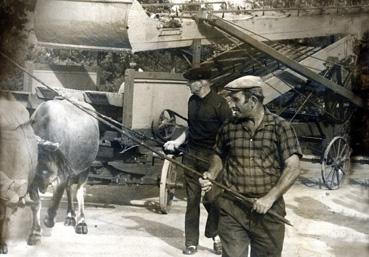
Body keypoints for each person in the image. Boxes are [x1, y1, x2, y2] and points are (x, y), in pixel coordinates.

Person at [199, 75, 302, 257]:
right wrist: (212, 173)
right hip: (232, 208)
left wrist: (270, 198)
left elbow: (293, 167)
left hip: (268, 212)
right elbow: (217, 154)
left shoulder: (281, 127)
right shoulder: (228, 126)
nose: (231, 104)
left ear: (253, 100)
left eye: (236, 99)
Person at [164, 67, 232, 255]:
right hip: (191, 155)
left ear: (202, 82)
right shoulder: (192, 101)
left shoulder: (220, 104)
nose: (188, 84)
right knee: (192, 201)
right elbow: (190, 129)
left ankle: (215, 233)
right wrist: (176, 142)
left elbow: (230, 134)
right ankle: (191, 242)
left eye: (191, 81)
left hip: (213, 158)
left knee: (213, 199)